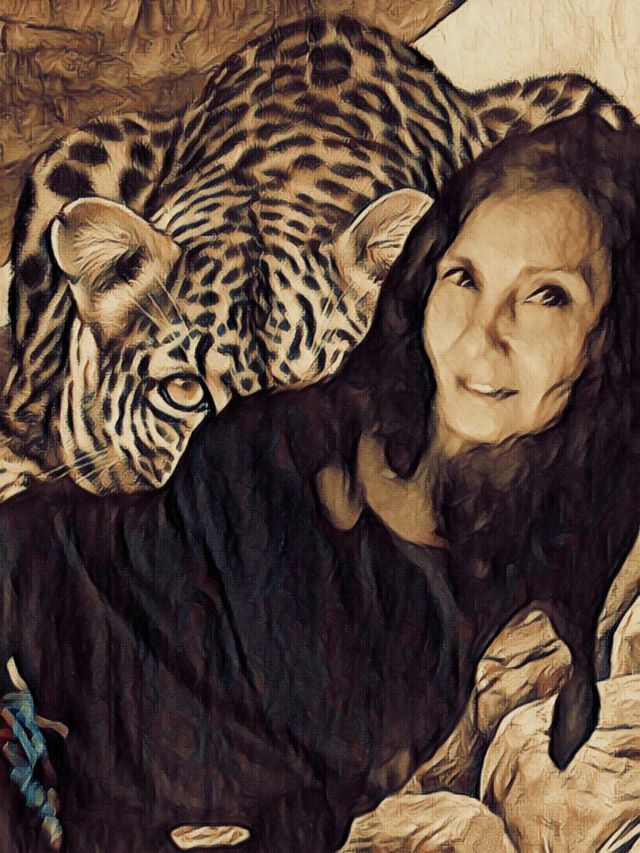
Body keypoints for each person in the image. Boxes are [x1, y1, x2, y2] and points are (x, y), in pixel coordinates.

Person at [1, 114, 639, 852]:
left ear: (612, 336)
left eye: (548, 296)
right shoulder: (306, 420)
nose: (479, 334)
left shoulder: (563, 557)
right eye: (464, 277)